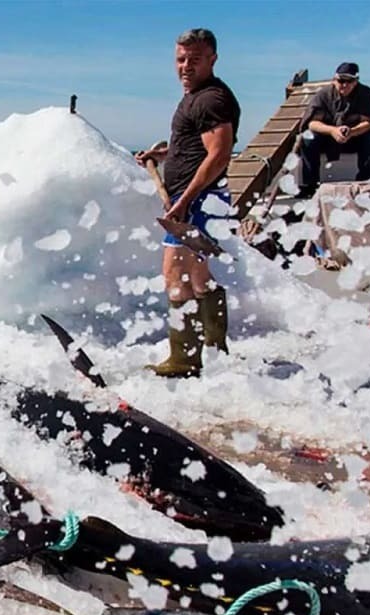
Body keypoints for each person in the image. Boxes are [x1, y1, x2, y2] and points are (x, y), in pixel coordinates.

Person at [134, 28, 240, 378]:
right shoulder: (195, 97)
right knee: (198, 276)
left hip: (195, 200)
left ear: (212, 59)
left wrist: (184, 202)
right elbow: (194, 146)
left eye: (194, 60)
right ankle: (214, 346)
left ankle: (184, 360)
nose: (185, 67)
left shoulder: (211, 99)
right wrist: (162, 154)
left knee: (174, 277)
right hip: (200, 199)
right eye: (180, 59)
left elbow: (219, 154)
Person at [298, 63, 370, 197]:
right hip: (327, 139)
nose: (344, 85)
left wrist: (352, 131)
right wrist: (333, 131)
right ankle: (309, 186)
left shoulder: (366, 94)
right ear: (334, 80)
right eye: (341, 81)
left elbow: (369, 122)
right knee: (308, 138)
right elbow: (312, 123)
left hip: (354, 139)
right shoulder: (323, 95)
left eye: (349, 81)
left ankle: (365, 183)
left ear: (355, 82)